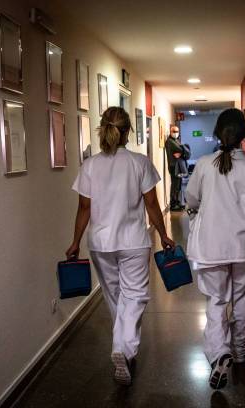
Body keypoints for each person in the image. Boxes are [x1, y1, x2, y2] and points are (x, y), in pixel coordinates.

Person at [66, 107, 175, 386]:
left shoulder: (90, 165)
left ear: (103, 129)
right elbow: (151, 203)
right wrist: (163, 234)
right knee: (135, 296)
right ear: (128, 131)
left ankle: (123, 347)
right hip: (133, 242)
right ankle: (123, 348)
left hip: (101, 243)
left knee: (114, 295)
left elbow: (84, 207)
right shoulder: (139, 162)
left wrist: (75, 241)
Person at [185, 108, 245, 390]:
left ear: (217, 133)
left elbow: (192, 199)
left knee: (216, 300)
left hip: (211, 244)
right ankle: (239, 348)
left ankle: (219, 351)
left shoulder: (204, 165)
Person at [165, 126, 189, 211]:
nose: (176, 133)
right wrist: (183, 149)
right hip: (173, 166)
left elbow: (186, 152)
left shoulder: (176, 141)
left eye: (177, 131)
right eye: (174, 131)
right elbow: (182, 149)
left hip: (177, 166)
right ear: (170, 132)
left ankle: (177, 202)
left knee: (178, 185)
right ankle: (173, 203)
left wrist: (183, 151)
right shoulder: (170, 142)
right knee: (175, 185)